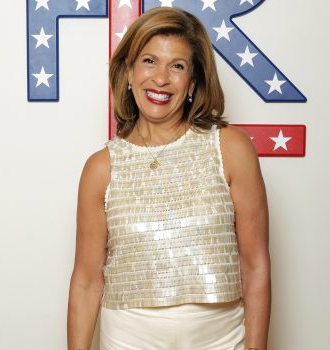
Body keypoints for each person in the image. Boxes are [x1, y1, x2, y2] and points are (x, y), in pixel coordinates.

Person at [68, 7, 270, 350]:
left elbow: (255, 264)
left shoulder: (230, 148)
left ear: (192, 83)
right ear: (129, 72)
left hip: (221, 338)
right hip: (128, 338)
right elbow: (87, 280)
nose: (160, 78)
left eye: (176, 66)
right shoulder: (101, 168)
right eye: (149, 61)